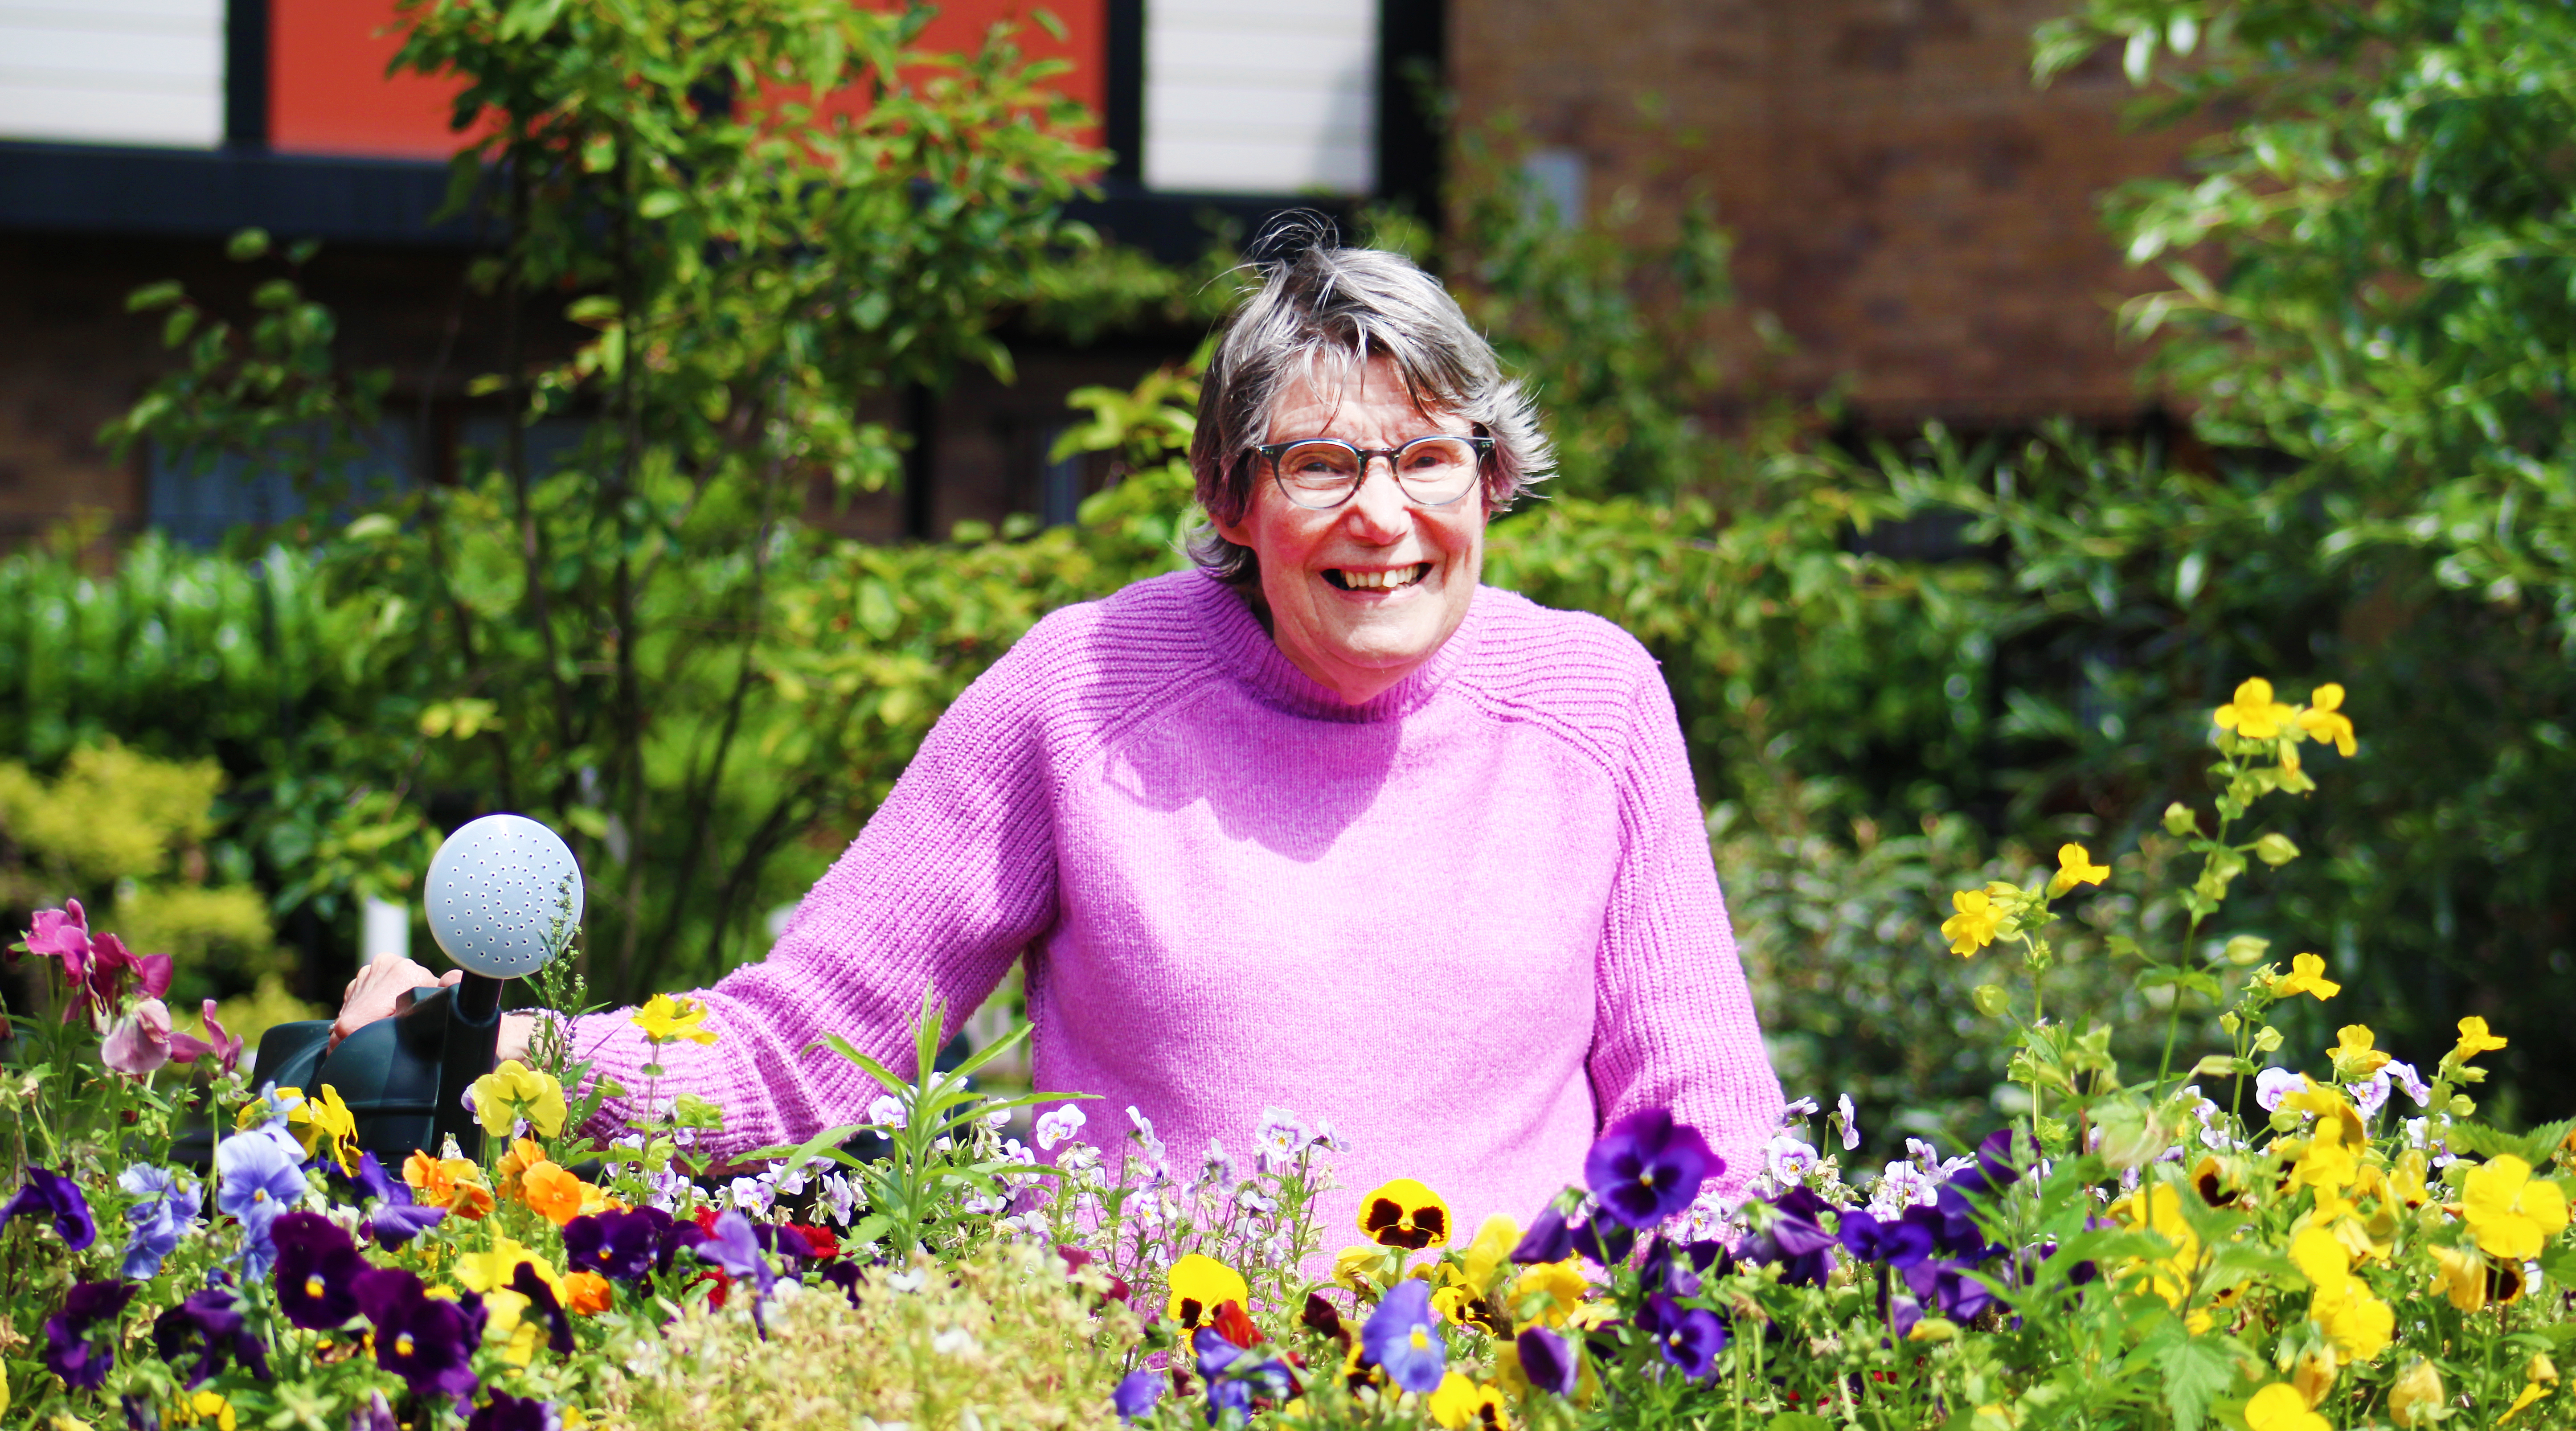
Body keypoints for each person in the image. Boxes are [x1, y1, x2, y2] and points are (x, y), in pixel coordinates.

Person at [335, 230, 1785, 1234]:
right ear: (1231, 497)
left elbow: (1706, 1120)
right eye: (1324, 463)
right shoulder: (1084, 689)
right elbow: (803, 1047)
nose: (1384, 513)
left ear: (1492, 476)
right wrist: (493, 1051)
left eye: (1430, 457)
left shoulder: (1592, 702)